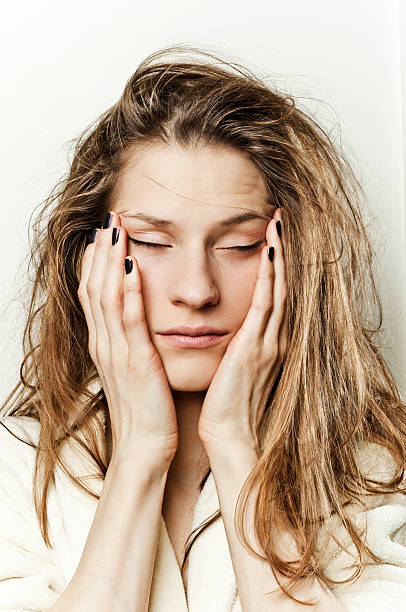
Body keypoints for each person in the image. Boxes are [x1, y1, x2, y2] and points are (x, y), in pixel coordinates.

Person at [1, 44, 406, 612]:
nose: (196, 290)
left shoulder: (375, 474)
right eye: (150, 242)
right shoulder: (15, 470)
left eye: (240, 245)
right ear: (87, 256)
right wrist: (141, 450)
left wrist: (236, 446)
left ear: (291, 259)